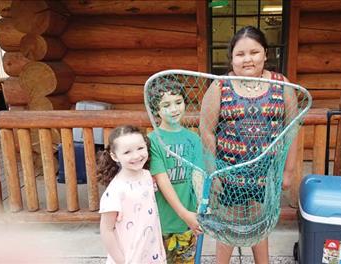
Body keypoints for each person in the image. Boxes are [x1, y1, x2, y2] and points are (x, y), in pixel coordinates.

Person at [199, 25, 299, 264]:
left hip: (267, 173)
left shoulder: (282, 84)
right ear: (231, 58)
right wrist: (215, 172)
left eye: (254, 52)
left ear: (265, 53)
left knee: (259, 224)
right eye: (240, 54)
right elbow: (207, 130)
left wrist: (288, 170)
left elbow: (291, 130)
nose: (247, 59)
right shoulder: (219, 86)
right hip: (230, 172)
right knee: (229, 227)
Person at [147, 80, 204, 264]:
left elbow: (197, 176)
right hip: (162, 220)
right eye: (166, 105)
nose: (174, 109)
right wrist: (183, 213)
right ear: (156, 109)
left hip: (188, 221)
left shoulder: (193, 139)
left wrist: (201, 208)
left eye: (178, 102)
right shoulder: (152, 140)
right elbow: (161, 179)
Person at [97, 125, 166, 264]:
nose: (136, 156)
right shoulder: (115, 191)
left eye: (140, 148)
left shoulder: (147, 176)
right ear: (114, 156)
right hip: (130, 257)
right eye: (127, 152)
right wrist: (121, 261)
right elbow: (106, 231)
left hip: (152, 252)